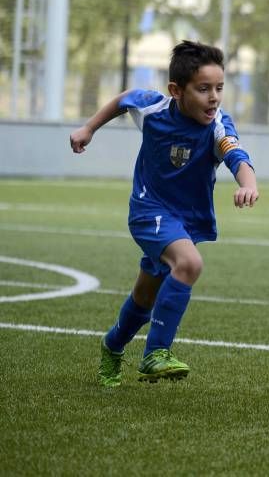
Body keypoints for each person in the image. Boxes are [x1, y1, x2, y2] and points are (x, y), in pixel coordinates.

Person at [70, 40, 259, 386]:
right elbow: (123, 99)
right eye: (203, 89)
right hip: (148, 209)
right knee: (190, 264)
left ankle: (112, 345)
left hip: (183, 222)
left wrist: (248, 183)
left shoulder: (218, 126)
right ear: (176, 90)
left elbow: (237, 157)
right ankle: (156, 352)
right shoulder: (155, 109)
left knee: (144, 298)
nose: (214, 97)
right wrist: (89, 128)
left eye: (219, 88)